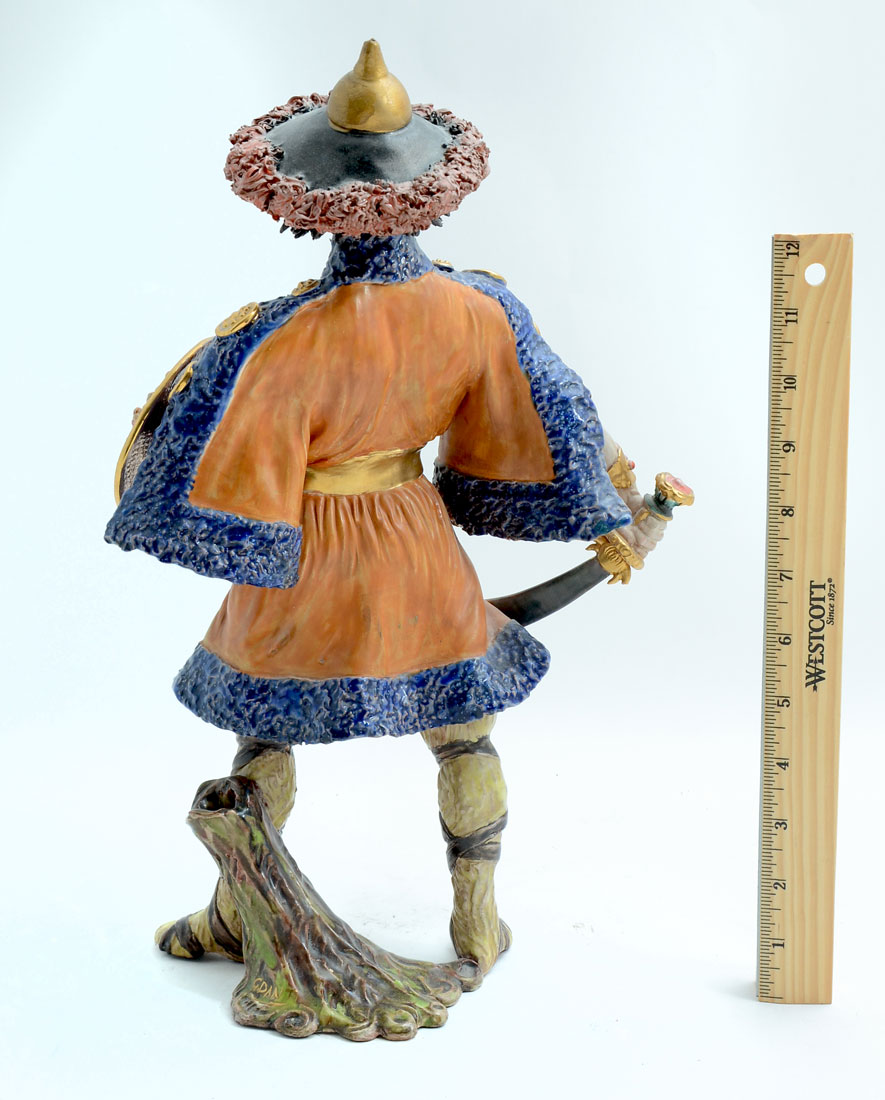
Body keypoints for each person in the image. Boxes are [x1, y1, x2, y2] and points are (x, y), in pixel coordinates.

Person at [106, 40, 649, 976]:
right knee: (463, 732)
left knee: (263, 730)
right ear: (429, 192)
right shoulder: (480, 309)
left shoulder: (277, 338)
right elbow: (560, 413)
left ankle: (234, 915)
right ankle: (477, 921)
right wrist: (620, 499)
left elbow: (199, 459)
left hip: (304, 557)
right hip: (413, 540)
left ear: (308, 199)